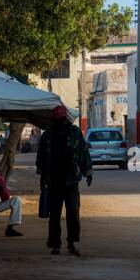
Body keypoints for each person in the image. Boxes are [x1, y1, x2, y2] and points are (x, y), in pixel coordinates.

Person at [36, 105, 92, 256]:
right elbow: (41, 157)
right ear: (55, 120)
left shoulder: (75, 133)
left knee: (73, 211)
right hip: (54, 182)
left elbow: (83, 152)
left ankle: (72, 243)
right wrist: (42, 177)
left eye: (63, 118)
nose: (62, 121)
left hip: (71, 180)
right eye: (59, 119)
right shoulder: (47, 136)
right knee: (54, 214)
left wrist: (88, 171)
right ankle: (55, 244)